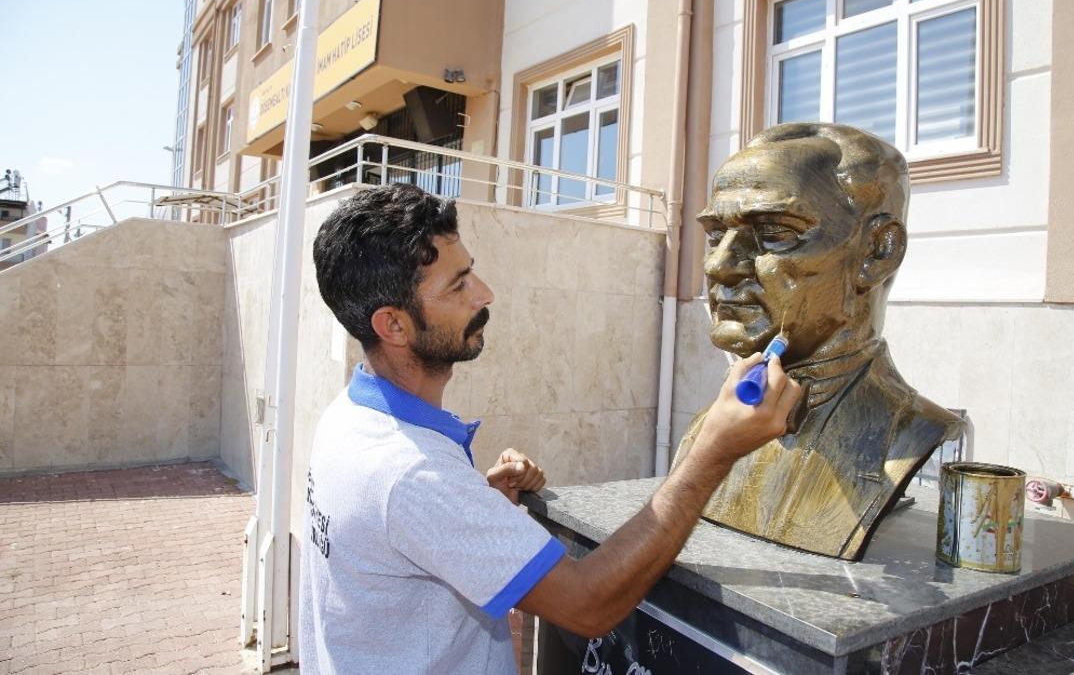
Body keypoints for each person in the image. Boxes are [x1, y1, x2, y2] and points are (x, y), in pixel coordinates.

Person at [301, 183, 800, 673]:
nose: (484, 293)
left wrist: (473, 507)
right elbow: (587, 606)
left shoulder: (349, 419)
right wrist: (715, 448)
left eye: (469, 272)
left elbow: (398, 524)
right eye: (458, 285)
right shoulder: (414, 476)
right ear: (393, 326)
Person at [673, 123, 965, 560]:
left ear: (876, 253)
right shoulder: (705, 430)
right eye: (716, 235)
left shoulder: (911, 435)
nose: (718, 265)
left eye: (774, 233)